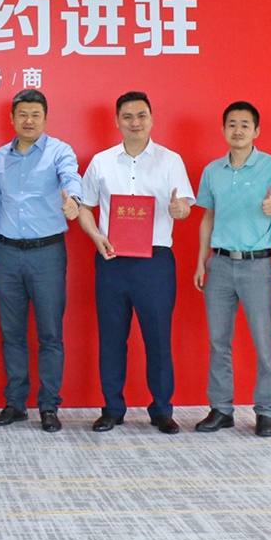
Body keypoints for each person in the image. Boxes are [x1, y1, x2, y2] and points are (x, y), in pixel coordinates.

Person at [77, 91, 194, 435]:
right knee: (112, 338)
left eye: (142, 115)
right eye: (127, 116)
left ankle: (162, 410)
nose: (135, 122)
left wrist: (180, 210)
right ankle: (112, 409)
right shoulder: (101, 161)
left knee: (158, 338)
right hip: (112, 260)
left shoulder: (170, 160)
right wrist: (95, 236)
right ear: (117, 121)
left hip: (154, 263)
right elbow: (84, 206)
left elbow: (184, 206)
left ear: (152, 119)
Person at [0, 89, 81, 433]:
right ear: (12, 118)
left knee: (50, 334)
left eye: (36, 114)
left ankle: (49, 406)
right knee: (12, 334)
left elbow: (71, 178)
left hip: (47, 254)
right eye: (22, 114)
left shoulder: (59, 151)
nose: (29, 120)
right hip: (6, 253)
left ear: (45, 118)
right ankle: (15, 404)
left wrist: (74, 200)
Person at [192, 102, 271, 437]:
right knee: (218, 341)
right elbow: (208, 217)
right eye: (232, 124)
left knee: (264, 343)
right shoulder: (213, 171)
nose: (238, 130)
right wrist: (201, 261)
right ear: (223, 130)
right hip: (219, 264)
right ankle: (221, 409)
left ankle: (265, 412)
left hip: (257, 266)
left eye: (245, 125)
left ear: (256, 131)